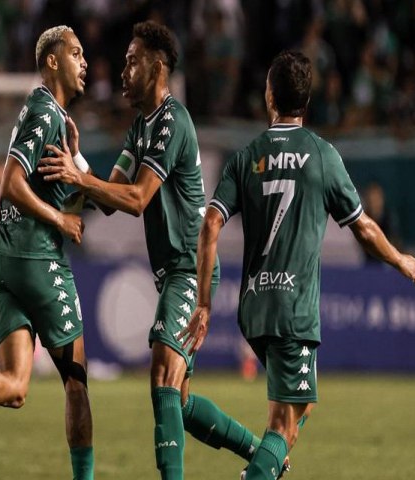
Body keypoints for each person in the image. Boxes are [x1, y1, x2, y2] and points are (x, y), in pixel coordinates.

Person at [179, 50, 415, 480]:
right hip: (293, 310)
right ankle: (262, 466)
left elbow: (211, 224)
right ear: (307, 102)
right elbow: (363, 226)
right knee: (285, 425)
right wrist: (398, 258)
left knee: (301, 405)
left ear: (269, 96)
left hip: (253, 308)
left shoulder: (246, 156)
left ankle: (260, 461)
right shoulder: (321, 155)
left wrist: (204, 303)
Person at [40, 20, 262, 480]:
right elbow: (110, 196)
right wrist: (77, 162)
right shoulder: (141, 128)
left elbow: (138, 198)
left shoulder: (171, 121)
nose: (123, 71)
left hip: (190, 268)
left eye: (132, 62)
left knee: (162, 374)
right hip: (172, 272)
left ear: (157, 68)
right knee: (179, 400)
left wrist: (80, 179)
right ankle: (263, 456)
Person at [0, 25, 94, 480]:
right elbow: (11, 183)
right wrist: (59, 220)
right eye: (76, 53)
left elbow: (71, 195)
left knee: (18, 385)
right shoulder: (44, 110)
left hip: (1, 263)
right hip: (36, 259)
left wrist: (77, 160)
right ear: (52, 62)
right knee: (76, 381)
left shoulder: (50, 117)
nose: (84, 62)